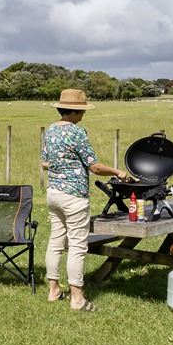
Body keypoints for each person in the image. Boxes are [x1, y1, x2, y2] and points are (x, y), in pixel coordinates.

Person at [41, 89, 127, 311]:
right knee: (78, 245)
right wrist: (117, 172)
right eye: (82, 111)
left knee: (55, 241)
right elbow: (95, 167)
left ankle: (53, 291)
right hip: (74, 196)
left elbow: (45, 163)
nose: (83, 115)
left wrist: (62, 165)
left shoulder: (50, 131)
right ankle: (77, 298)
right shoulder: (77, 133)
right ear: (76, 111)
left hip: (53, 193)